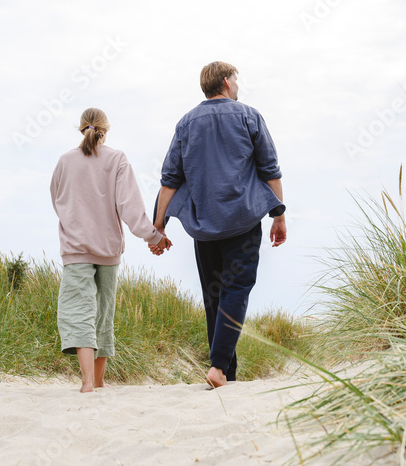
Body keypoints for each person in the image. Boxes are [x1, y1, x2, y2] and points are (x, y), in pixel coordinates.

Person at [154, 61, 287, 389]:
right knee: (237, 289)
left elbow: (170, 180)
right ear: (226, 82)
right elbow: (270, 169)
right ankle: (217, 366)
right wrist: (279, 215)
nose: (238, 85)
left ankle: (227, 373)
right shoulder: (248, 116)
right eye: (236, 79)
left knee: (215, 296)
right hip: (242, 220)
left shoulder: (186, 123)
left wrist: (159, 225)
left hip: (204, 225)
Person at [50, 107, 171, 393]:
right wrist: (153, 236)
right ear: (106, 129)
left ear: (81, 129)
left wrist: (74, 220)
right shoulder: (117, 159)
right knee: (103, 315)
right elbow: (129, 207)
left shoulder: (65, 161)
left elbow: (58, 199)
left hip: (75, 249)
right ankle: (100, 381)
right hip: (108, 251)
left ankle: (88, 383)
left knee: (79, 313)